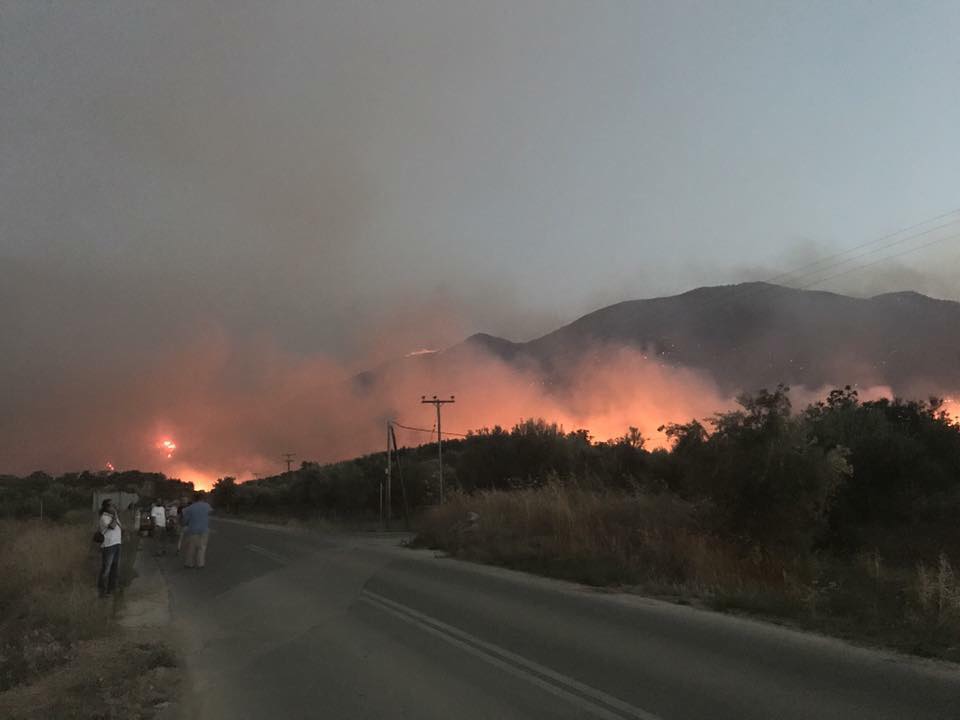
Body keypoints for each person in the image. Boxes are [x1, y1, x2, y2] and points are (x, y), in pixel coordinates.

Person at [181, 491, 213, 569]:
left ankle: (189, 563)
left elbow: (185, 520)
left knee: (191, 548)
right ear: (202, 498)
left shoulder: (190, 508)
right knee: (202, 548)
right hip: (204, 529)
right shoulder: (207, 506)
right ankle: (200, 564)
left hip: (193, 530)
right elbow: (210, 512)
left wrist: (184, 524)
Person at [98, 498, 122, 596]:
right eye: (112, 505)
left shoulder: (113, 516)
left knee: (114, 568)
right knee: (106, 568)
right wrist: (115, 516)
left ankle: (111, 589)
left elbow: (120, 526)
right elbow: (112, 526)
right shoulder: (104, 517)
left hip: (116, 543)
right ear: (107, 507)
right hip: (109, 545)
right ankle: (102, 590)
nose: (114, 507)